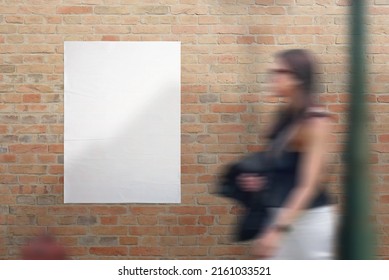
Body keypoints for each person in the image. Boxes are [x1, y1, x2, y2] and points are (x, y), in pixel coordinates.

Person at [238, 49, 337, 259]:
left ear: (299, 78)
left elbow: (309, 185)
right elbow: (286, 169)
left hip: (307, 221)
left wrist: (277, 230)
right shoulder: (286, 117)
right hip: (281, 217)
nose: (273, 78)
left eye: (280, 72)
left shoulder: (316, 122)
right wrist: (262, 181)